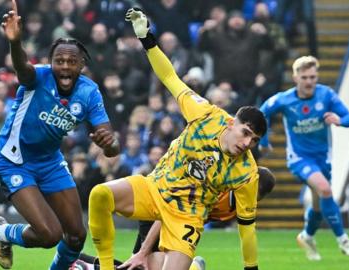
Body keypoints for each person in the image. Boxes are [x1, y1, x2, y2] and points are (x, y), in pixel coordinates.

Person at [88, 8, 267, 270]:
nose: (247, 144)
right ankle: (105, 267)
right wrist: (147, 39)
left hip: (187, 217)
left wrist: (251, 268)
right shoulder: (205, 114)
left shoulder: (247, 173)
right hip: (154, 189)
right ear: (232, 123)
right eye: (246, 133)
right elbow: (169, 77)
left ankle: (192, 267)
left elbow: (247, 230)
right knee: (100, 195)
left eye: (254, 141)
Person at [0, 1, 120, 269]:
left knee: (76, 236)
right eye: (59, 61)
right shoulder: (37, 77)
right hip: (13, 160)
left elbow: (110, 141)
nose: (64, 66)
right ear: (51, 63)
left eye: (72, 61)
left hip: (49, 162)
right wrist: (15, 43)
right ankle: (3, 233)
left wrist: (110, 144)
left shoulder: (89, 92)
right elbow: (22, 67)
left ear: (81, 64)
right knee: (49, 235)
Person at [259, 56, 349, 261]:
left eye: (313, 77)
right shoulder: (285, 99)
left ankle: (307, 236)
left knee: (318, 206)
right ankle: (343, 240)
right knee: (325, 189)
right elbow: (262, 112)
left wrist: (339, 120)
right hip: (299, 158)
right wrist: (263, 141)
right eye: (304, 77)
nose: (309, 81)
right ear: (296, 77)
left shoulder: (326, 95)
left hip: (322, 159)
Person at [78, 167, 275, 270]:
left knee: (138, 266)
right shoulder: (218, 190)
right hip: (158, 207)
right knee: (145, 263)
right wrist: (144, 251)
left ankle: (80, 262)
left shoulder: (238, 207)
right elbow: (166, 213)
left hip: (174, 220)